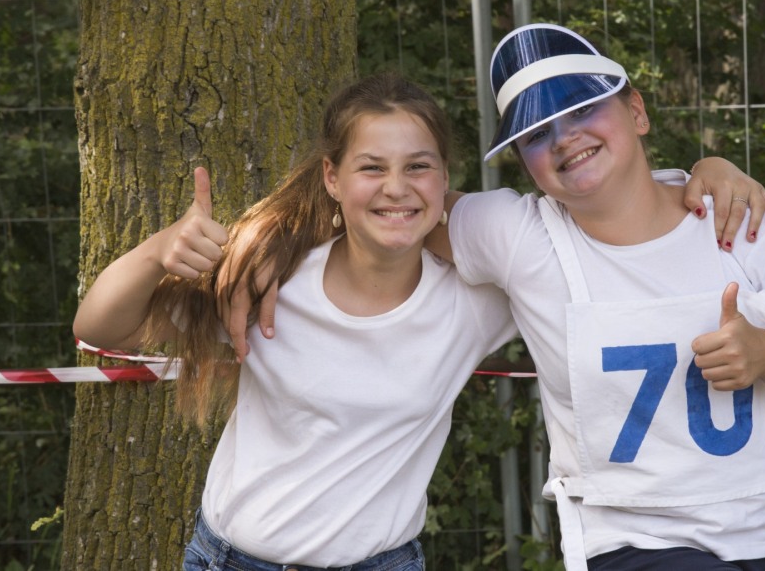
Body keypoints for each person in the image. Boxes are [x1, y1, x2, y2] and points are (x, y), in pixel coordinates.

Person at [225, 27, 765, 570]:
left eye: (582, 110)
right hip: (633, 546)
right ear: (526, 164)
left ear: (637, 111)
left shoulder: (739, 222)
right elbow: (395, 204)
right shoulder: (518, 235)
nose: (564, 137)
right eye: (537, 134)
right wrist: (268, 232)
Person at [73, 74, 522, 570]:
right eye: (371, 167)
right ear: (332, 177)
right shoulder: (267, 278)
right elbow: (98, 328)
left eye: (418, 166)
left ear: (444, 176)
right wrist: (158, 250)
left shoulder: (476, 299)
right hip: (231, 561)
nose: (396, 187)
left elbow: (570, 244)